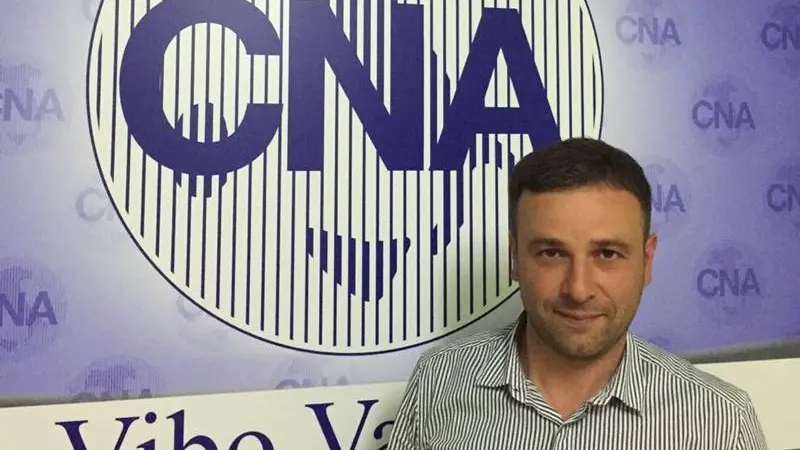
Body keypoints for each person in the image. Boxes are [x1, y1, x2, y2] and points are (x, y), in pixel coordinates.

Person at [386, 138, 768, 449]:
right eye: (552, 253)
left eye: (607, 254)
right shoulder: (439, 379)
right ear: (515, 258)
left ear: (647, 260)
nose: (579, 289)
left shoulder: (721, 422)